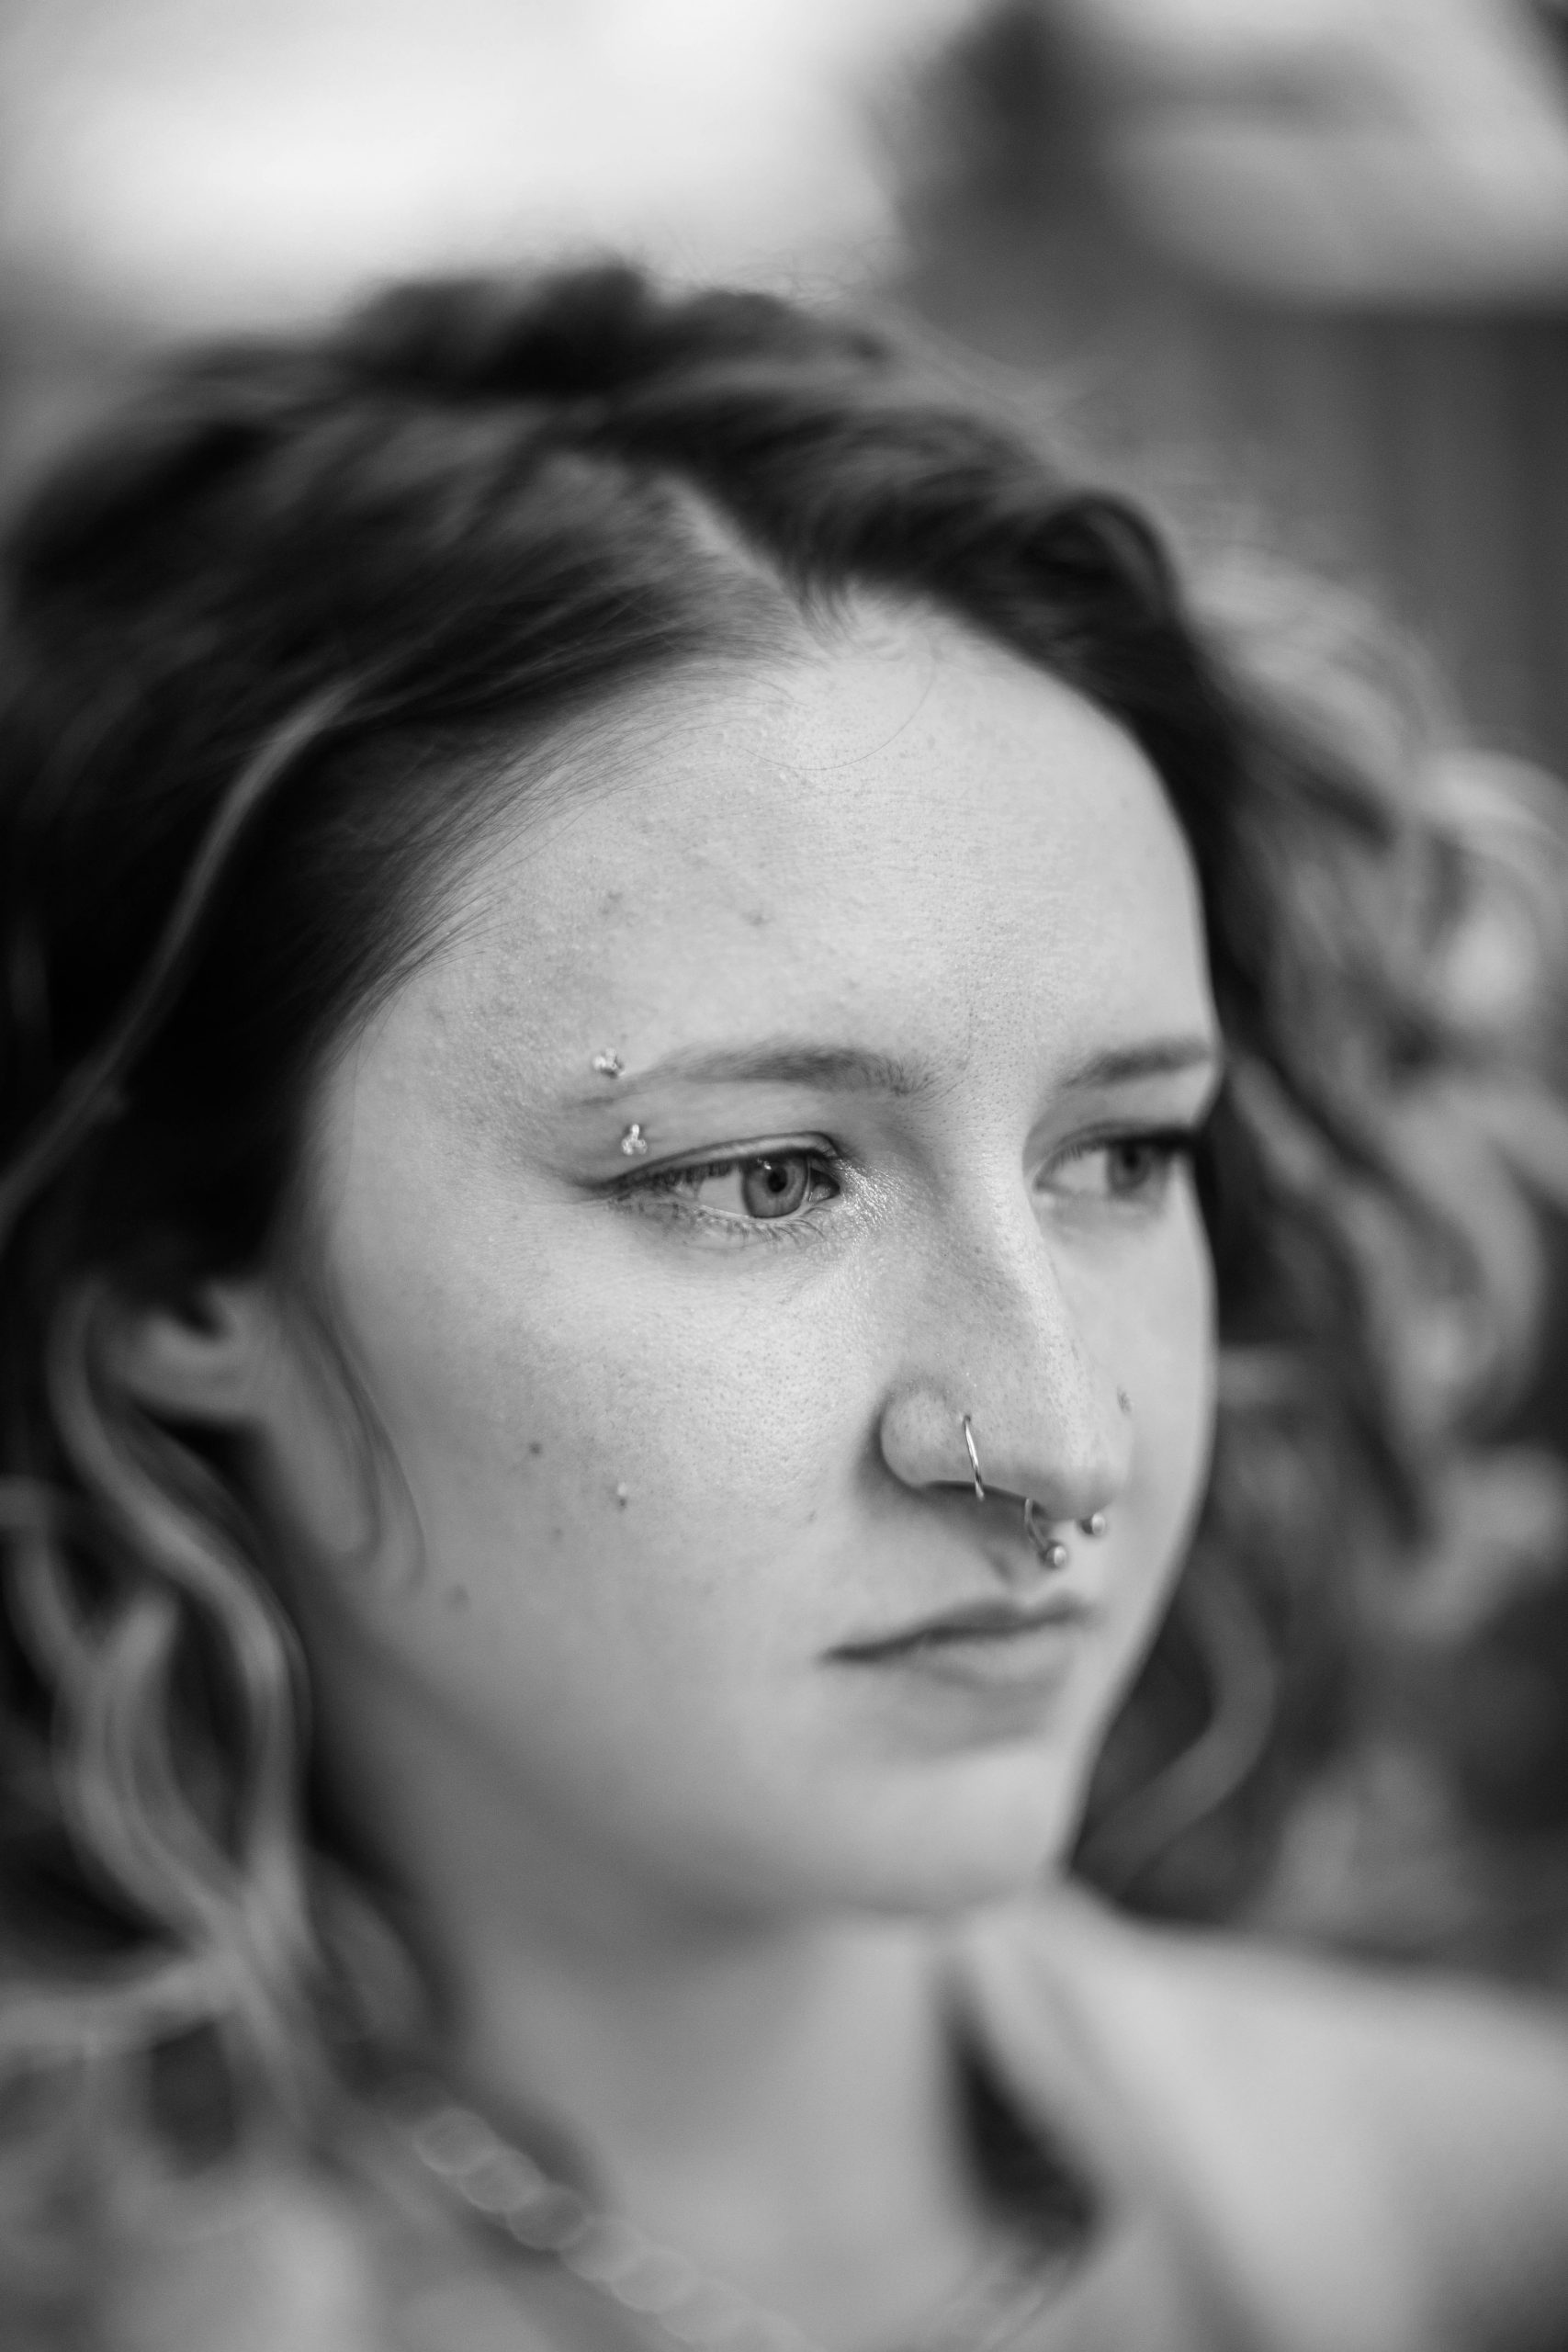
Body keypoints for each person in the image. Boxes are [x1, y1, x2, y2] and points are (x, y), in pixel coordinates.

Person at [2, 263, 1567, 2352]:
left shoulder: (1493, 2226)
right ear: (177, 1275)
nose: (1059, 1449)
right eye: (764, 1177)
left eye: (1121, 1155)